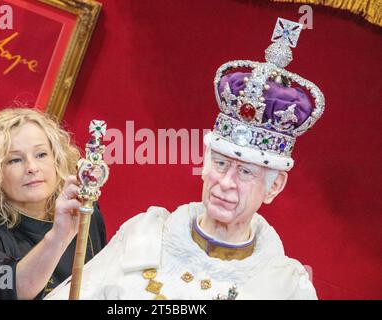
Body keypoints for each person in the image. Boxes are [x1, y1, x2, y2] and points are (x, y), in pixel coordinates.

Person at [46, 18, 323, 300]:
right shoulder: (145, 234)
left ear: (274, 186)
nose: (225, 183)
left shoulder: (285, 286)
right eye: (221, 163)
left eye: (246, 173)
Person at [0, 108, 107, 300]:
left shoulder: (81, 209)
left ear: (57, 159)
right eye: (15, 160)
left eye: (41, 154)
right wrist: (58, 238)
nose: (32, 168)